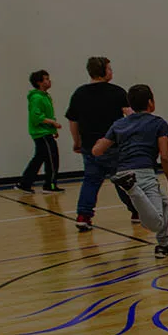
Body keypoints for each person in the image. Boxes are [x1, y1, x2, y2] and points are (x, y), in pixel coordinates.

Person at [92, 85, 168, 259]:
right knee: (156, 223)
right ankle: (132, 188)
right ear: (150, 102)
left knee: (164, 202)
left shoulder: (119, 124)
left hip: (122, 171)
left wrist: (98, 143)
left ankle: (164, 245)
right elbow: (165, 156)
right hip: (144, 173)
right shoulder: (158, 123)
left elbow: (97, 151)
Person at [66, 56, 139, 231]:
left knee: (91, 180)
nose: (112, 72)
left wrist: (77, 141)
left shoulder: (79, 93)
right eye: (109, 69)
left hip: (90, 146)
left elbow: (73, 121)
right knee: (123, 180)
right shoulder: (117, 92)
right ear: (103, 71)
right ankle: (136, 211)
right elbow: (131, 115)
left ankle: (83, 216)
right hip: (113, 145)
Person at [17, 70, 64, 194]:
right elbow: (36, 117)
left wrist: (53, 130)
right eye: (46, 79)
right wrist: (53, 123)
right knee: (52, 159)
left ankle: (24, 183)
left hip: (45, 132)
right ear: (39, 82)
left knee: (39, 158)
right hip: (41, 133)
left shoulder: (45, 96)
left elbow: (47, 114)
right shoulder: (37, 98)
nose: (49, 81)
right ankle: (50, 185)